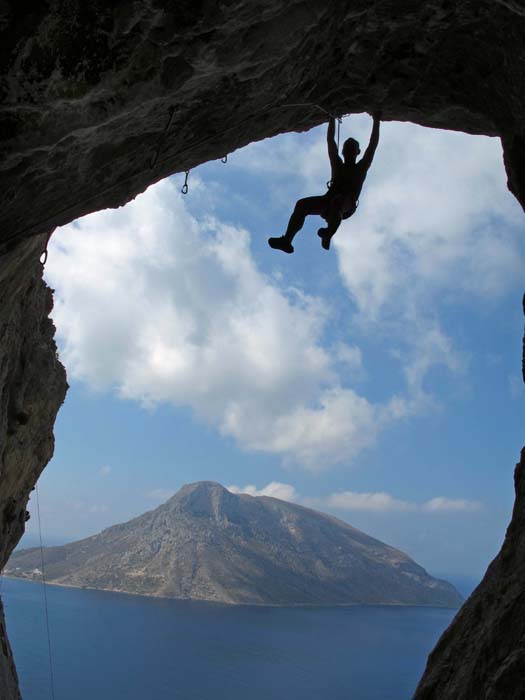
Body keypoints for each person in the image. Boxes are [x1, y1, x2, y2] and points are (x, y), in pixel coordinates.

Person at [268, 112, 381, 254]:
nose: (348, 148)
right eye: (347, 146)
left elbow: (372, 145)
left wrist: (376, 121)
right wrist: (331, 118)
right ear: (344, 151)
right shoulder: (338, 164)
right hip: (329, 200)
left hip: (346, 203)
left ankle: (328, 232)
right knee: (301, 205)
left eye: (351, 146)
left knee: (338, 202)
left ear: (358, 152)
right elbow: (331, 141)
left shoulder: (361, 167)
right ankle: (287, 241)